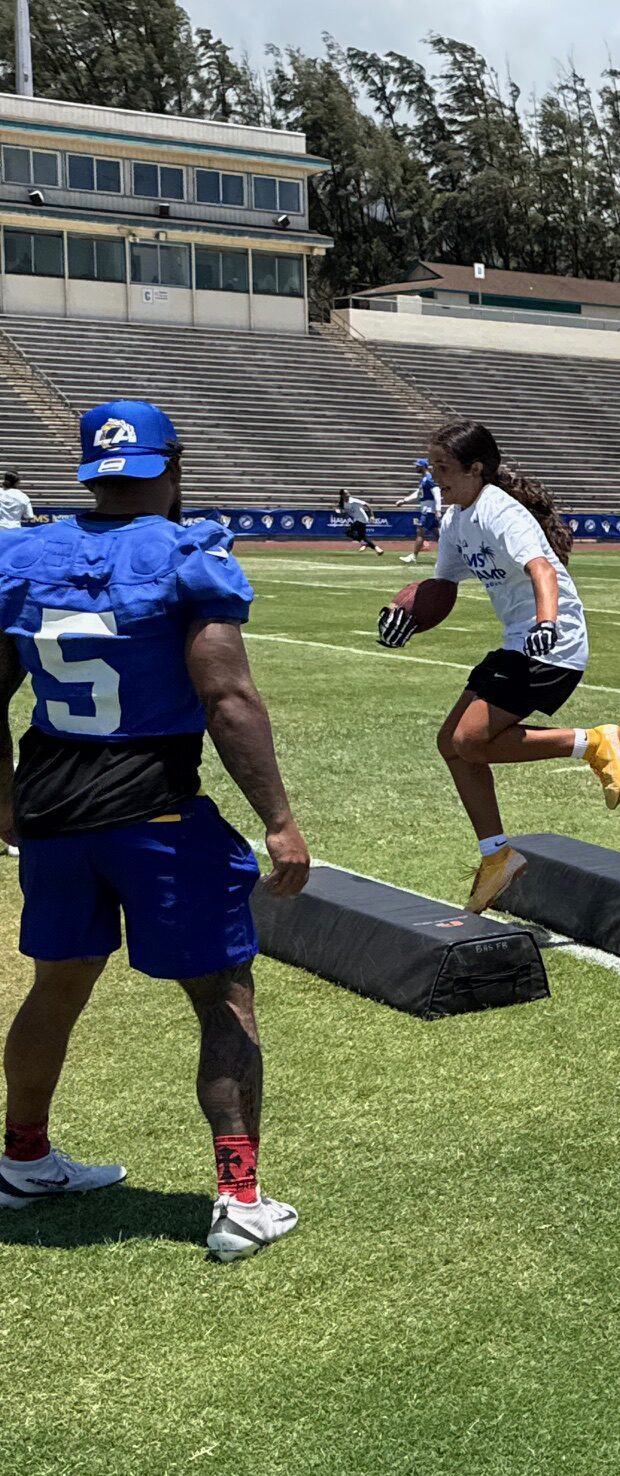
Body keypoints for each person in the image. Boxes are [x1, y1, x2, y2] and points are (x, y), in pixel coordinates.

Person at [0, 400, 309, 1260]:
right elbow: (226, 697)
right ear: (170, 468)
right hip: (153, 802)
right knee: (222, 994)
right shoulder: (184, 553)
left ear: (91, 474)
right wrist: (279, 822)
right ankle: (240, 1196)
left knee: (55, 986)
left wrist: (4, 800)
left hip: (53, 804)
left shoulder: (19, 554)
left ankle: (23, 1158)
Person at [377, 421, 620, 913]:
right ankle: (498, 855)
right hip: (519, 643)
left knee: (470, 740)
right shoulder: (454, 519)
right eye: (431, 468)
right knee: (451, 745)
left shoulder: (498, 510)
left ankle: (591, 742)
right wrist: (409, 615)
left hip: (553, 643)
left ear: (475, 470)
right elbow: (443, 586)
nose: (435, 479)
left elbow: (542, 568)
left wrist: (548, 621)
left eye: (444, 469)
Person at [398, 458, 439, 563]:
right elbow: (418, 493)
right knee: (438, 535)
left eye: (418, 465)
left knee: (420, 532)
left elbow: (437, 493)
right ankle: (456, 554)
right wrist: (404, 500)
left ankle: (413, 556)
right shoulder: (423, 479)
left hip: (429, 510)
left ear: (423, 466)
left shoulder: (429, 479)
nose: (416, 467)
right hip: (427, 509)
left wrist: (438, 510)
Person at [337, 488, 384, 554]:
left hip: (362, 518)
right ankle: (377, 549)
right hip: (356, 519)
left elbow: (368, 505)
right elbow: (344, 513)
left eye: (348, 493)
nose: (348, 494)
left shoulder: (354, 501)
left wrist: (372, 516)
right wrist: (340, 512)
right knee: (363, 537)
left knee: (348, 532)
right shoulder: (343, 503)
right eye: (346, 494)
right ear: (342, 496)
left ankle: (364, 543)